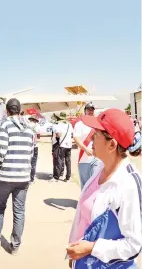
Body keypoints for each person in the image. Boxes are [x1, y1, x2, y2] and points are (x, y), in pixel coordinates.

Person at [66, 108, 142, 269]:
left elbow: (134, 245)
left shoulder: (128, 184)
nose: (90, 138)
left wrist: (92, 248)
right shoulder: (100, 169)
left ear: (112, 144)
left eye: (96, 134)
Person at [0, 98, 34, 255]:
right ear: (19, 110)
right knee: (19, 211)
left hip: (5, 176)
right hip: (23, 177)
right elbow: (31, 152)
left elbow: (1, 152)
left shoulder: (5, 125)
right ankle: (15, 245)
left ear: (6, 111)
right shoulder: (29, 127)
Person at [74, 103, 102, 189]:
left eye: (92, 110)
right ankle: (84, 202)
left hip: (97, 158)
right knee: (85, 184)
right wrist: (85, 149)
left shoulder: (98, 123)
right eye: (89, 109)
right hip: (84, 158)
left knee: (97, 182)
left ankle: (95, 202)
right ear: (85, 111)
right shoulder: (79, 124)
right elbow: (76, 138)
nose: (90, 111)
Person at [27, 115, 41, 183]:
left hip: (28, 146)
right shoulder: (37, 126)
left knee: (27, 162)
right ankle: (32, 179)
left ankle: (26, 177)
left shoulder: (27, 125)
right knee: (33, 163)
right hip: (35, 146)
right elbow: (38, 136)